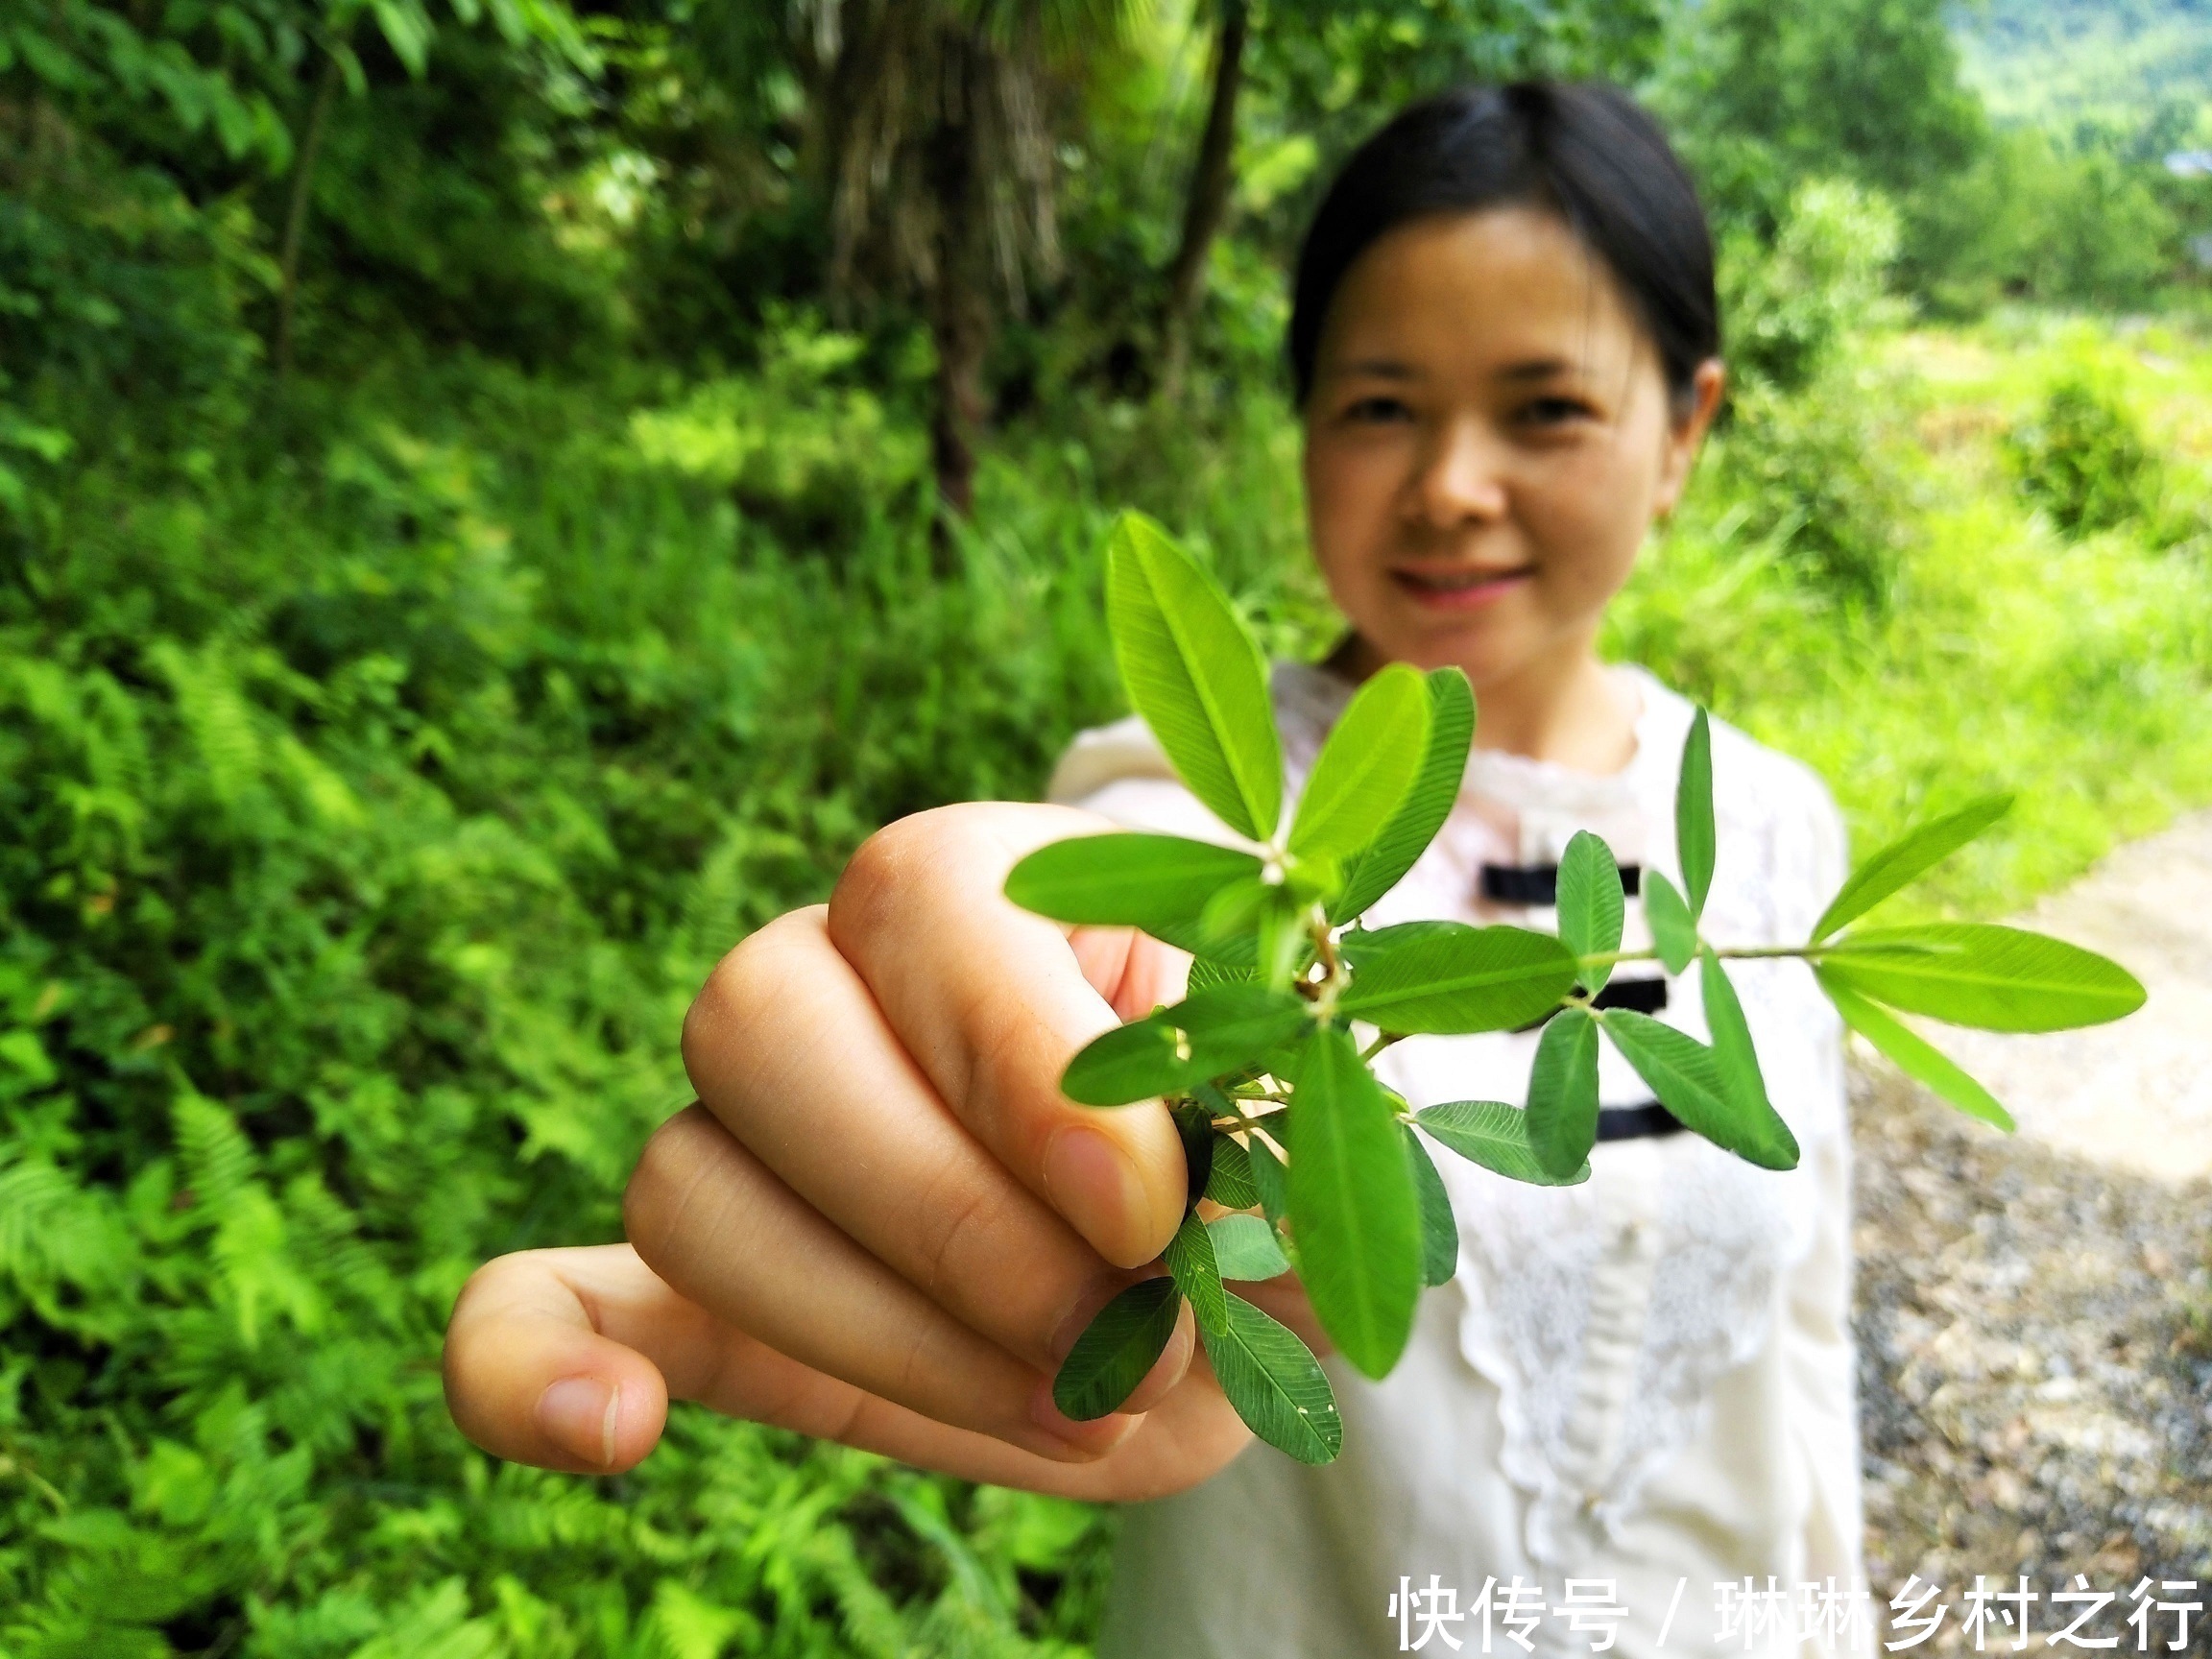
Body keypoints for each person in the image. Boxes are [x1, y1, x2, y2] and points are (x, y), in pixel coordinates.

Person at [443, 82, 1870, 1658]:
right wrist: (984, 1040)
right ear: (1306, 420)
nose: (1454, 484)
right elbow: (1092, 936)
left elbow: (1802, 1359)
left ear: (1686, 429)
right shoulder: (1201, 805)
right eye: (1381, 404)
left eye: (1545, 409)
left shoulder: (1775, 829)